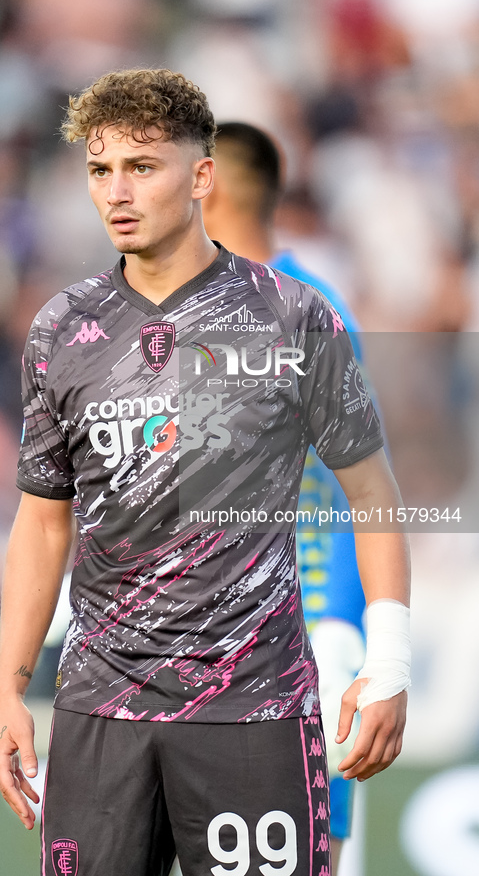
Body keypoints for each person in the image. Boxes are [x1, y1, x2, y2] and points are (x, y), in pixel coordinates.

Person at [0, 68, 411, 876]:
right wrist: (10, 686)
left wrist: (385, 660)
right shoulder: (60, 329)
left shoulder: (294, 316)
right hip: (98, 707)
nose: (117, 190)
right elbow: (43, 519)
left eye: (141, 167)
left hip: (254, 704)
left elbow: (371, 493)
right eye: (99, 169)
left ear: (201, 177)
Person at [201, 121, 370, 873]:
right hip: (207, 636)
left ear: (211, 189)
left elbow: (355, 483)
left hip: (295, 635)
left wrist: (337, 622)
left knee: (304, 848)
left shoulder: (308, 310)